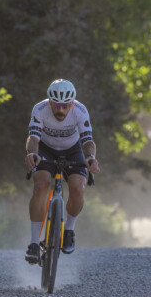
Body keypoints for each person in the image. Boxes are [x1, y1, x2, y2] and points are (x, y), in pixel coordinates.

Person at [24, 79, 100, 264]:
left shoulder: (80, 111)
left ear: (72, 103)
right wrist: (33, 154)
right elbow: (33, 138)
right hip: (45, 150)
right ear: (50, 102)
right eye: (56, 105)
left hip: (72, 150)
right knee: (41, 185)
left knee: (78, 187)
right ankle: (34, 243)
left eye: (65, 105)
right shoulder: (39, 109)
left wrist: (90, 157)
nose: (60, 110)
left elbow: (87, 140)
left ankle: (69, 231)